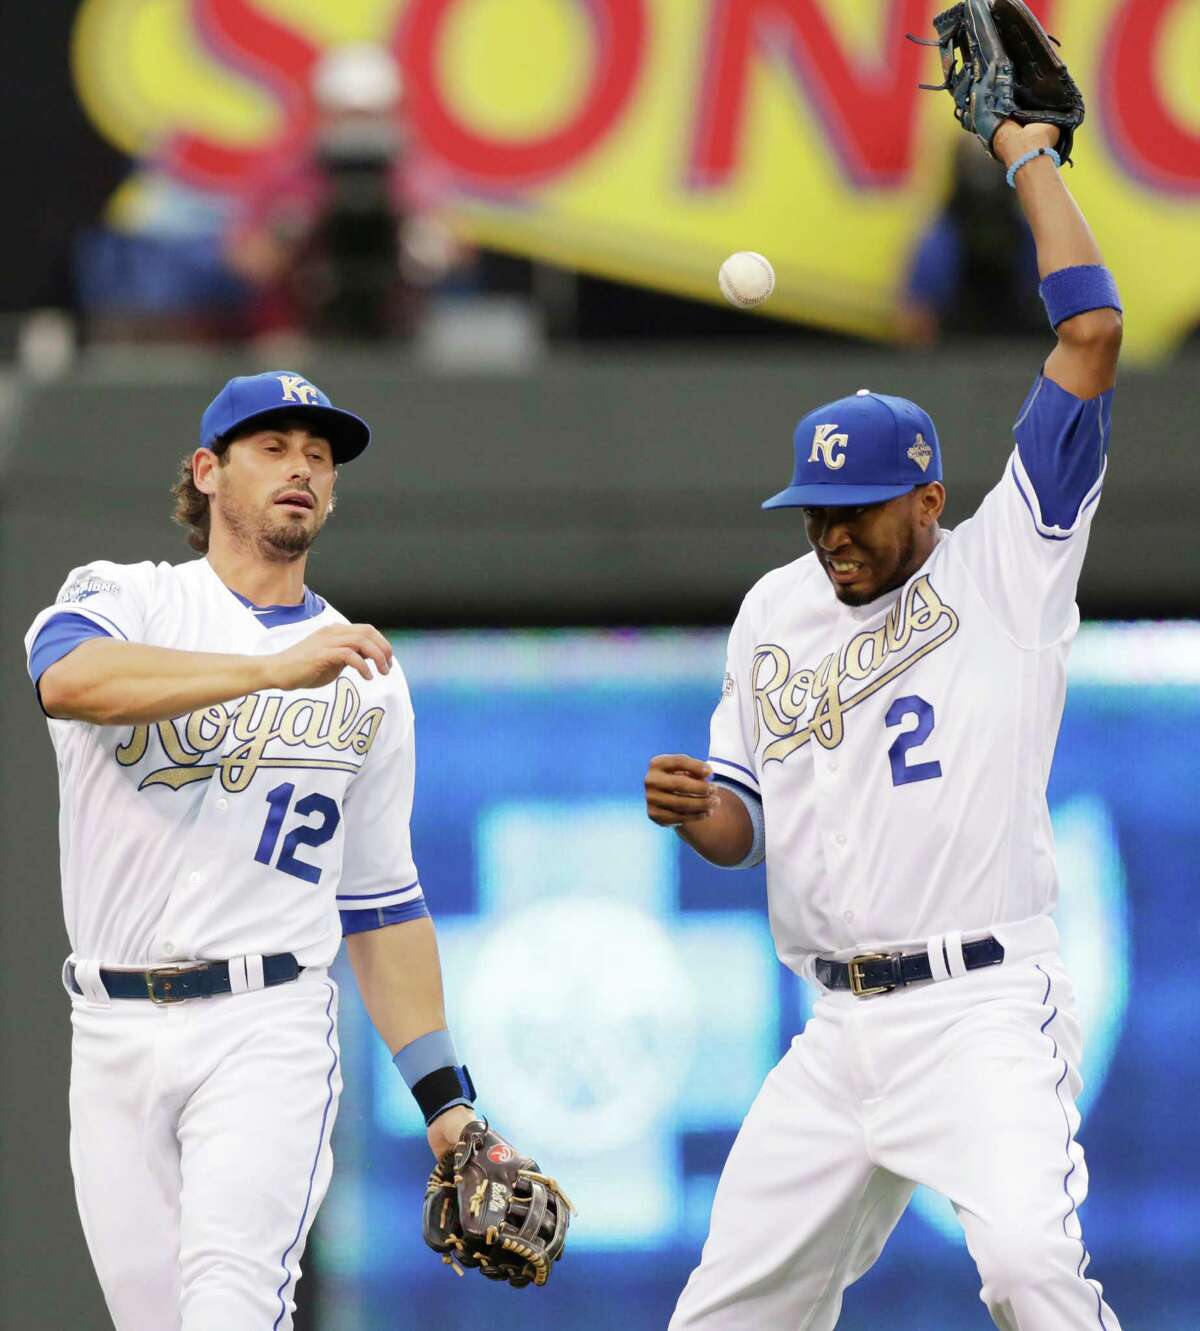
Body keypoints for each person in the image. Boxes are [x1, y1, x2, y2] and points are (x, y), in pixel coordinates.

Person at [644, 116, 1124, 1330]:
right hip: (837, 1026)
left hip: (981, 1007)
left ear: (927, 495)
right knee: (720, 1316)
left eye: (859, 509)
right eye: (817, 511)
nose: (834, 534)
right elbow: (742, 822)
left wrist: (1026, 160)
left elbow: (1092, 334)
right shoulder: (776, 610)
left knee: (1029, 1271)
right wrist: (704, 813)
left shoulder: (1007, 563)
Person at [24, 372, 490, 1328]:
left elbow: (381, 902)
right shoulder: (128, 597)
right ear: (207, 471)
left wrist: (449, 1103)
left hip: (265, 1024)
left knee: (233, 1308)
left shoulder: (363, 672)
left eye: (320, 457)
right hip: (110, 1029)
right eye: (273, 447)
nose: (302, 469)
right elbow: (67, 679)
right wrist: (271, 670)